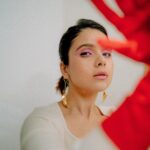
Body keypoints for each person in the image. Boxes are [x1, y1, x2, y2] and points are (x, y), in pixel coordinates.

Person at [20, 19, 116, 150]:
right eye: (86, 53)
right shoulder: (42, 121)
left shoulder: (118, 117)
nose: (102, 61)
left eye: (106, 53)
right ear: (65, 69)